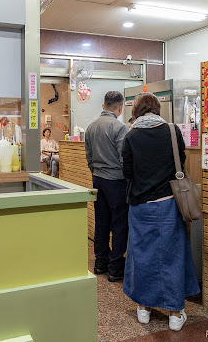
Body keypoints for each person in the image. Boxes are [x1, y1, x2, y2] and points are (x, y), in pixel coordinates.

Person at [121, 92, 200, 330]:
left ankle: (144, 308)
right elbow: (181, 162)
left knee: (142, 255)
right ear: (157, 109)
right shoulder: (172, 131)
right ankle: (175, 314)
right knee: (172, 255)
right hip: (169, 203)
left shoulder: (131, 136)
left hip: (140, 207)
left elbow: (127, 173)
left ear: (136, 111)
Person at [85, 91, 129, 283]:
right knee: (119, 223)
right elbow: (124, 158)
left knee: (101, 221)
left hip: (98, 179)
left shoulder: (91, 126)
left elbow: (88, 156)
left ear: (104, 105)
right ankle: (115, 266)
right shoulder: (119, 127)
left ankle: (100, 262)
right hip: (116, 181)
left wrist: (96, 171)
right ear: (120, 107)